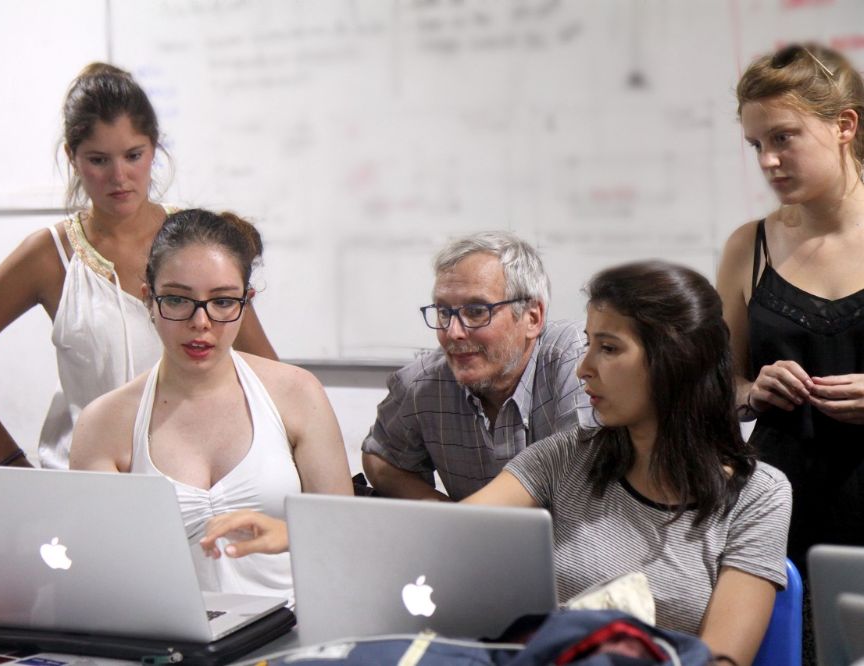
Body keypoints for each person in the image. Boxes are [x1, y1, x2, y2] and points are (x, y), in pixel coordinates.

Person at [200, 261, 791, 666]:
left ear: (676, 362)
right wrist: (296, 534)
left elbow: (720, 658)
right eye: (587, 343)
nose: (585, 368)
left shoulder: (759, 495)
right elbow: (449, 529)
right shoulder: (567, 458)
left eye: (609, 349)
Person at [0, 63, 276, 470]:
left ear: (154, 148)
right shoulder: (48, 255)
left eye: (133, 155)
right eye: (98, 159)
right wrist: (10, 462)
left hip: (192, 484)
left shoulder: (199, 240)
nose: (119, 176)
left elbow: (267, 369)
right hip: (83, 484)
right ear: (72, 157)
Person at [69, 208, 353, 600]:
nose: (200, 322)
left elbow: (348, 538)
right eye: (178, 300)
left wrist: (290, 535)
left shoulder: (296, 393)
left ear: (245, 301)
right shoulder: (105, 421)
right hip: (170, 636)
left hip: (290, 632)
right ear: (148, 299)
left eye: (221, 302)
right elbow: (99, 569)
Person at [716, 42, 864, 576]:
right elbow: (720, 386)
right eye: (756, 144)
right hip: (779, 515)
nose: (767, 161)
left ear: (844, 125)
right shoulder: (747, 247)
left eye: (783, 138)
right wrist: (752, 391)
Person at [361, 231, 592, 501]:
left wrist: (465, 523)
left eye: (476, 311)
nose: (453, 332)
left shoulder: (578, 360)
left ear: (532, 318)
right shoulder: (422, 384)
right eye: (444, 312)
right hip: (473, 542)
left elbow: (585, 477)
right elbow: (381, 458)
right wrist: (437, 510)